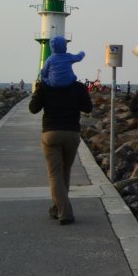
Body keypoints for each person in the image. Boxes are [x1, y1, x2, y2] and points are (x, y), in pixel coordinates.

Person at [28, 76, 93, 224]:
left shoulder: (45, 86)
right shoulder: (78, 86)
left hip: (51, 133)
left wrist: (38, 90)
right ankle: (57, 208)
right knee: (65, 172)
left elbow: (33, 109)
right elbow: (88, 108)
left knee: (55, 175)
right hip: (72, 133)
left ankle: (65, 213)